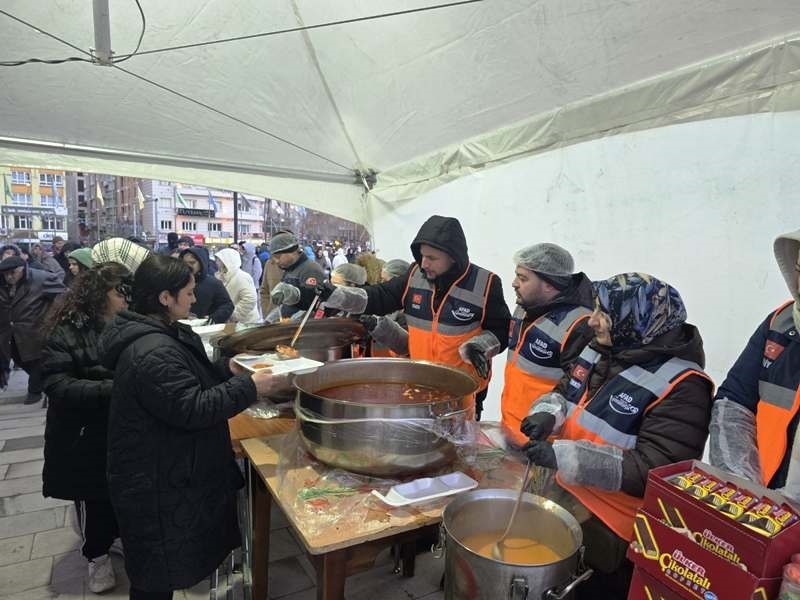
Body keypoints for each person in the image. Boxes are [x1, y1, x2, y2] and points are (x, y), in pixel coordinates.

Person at [100, 255, 280, 599]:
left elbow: (187, 380)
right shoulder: (151, 350)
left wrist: (227, 369)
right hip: (154, 481)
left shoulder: (162, 332)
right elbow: (193, 408)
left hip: (165, 467)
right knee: (155, 576)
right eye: (188, 292)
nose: (195, 299)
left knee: (160, 566)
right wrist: (250, 387)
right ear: (164, 297)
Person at [522, 273, 713, 599]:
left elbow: (654, 470)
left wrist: (563, 456)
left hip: (611, 534)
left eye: (604, 314)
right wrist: (548, 413)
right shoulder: (601, 349)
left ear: (636, 320)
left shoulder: (683, 386)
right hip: (564, 503)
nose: (592, 320)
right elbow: (565, 394)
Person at [292, 216, 511, 418]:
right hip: (419, 385)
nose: (424, 263)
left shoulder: (485, 283)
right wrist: (337, 295)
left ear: (453, 257)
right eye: (422, 256)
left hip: (465, 391)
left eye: (432, 258)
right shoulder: (415, 276)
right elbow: (379, 296)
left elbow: (502, 330)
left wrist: (481, 346)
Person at [41, 263, 133, 593]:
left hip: (120, 428)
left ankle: (115, 537)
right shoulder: (66, 330)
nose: (126, 299)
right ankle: (96, 556)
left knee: (120, 492)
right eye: (120, 292)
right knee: (93, 499)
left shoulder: (127, 325)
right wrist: (113, 389)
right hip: (81, 433)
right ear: (98, 294)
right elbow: (56, 384)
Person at [709, 229, 800, 501]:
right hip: (757, 505)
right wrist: (742, 484)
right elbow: (734, 401)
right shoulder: (779, 324)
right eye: (799, 269)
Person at [502, 244, 594, 447]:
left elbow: (578, 388)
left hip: (543, 439)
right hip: (511, 427)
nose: (514, 283)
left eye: (523, 278)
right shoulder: (525, 306)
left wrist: (547, 418)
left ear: (550, 285)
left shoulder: (579, 325)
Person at [0, 256, 67, 402]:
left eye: (12, 273)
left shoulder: (41, 278)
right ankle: (45, 380)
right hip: (9, 332)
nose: (9, 277)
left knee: (36, 359)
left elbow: (64, 295)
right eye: (5, 274)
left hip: (35, 329)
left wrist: (52, 317)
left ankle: (35, 391)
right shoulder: (3, 283)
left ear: (22, 269)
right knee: (18, 358)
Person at [266, 232, 324, 321]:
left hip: (301, 326)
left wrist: (292, 321)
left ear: (291, 252)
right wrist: (271, 319)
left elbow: (311, 305)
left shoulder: (311, 269)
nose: (276, 261)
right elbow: (285, 305)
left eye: (278, 256)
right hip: (287, 324)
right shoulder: (289, 269)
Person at [180, 247, 234, 323]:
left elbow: (227, 305)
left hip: (204, 326)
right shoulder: (177, 281)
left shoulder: (213, 283)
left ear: (201, 263)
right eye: (184, 263)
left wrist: (212, 318)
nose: (188, 266)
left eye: (192, 263)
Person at [215, 248, 260, 323]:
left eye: (219, 260)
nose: (216, 262)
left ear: (227, 260)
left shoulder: (242, 277)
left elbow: (250, 299)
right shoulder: (221, 276)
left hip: (245, 322)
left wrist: (233, 315)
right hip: (230, 321)